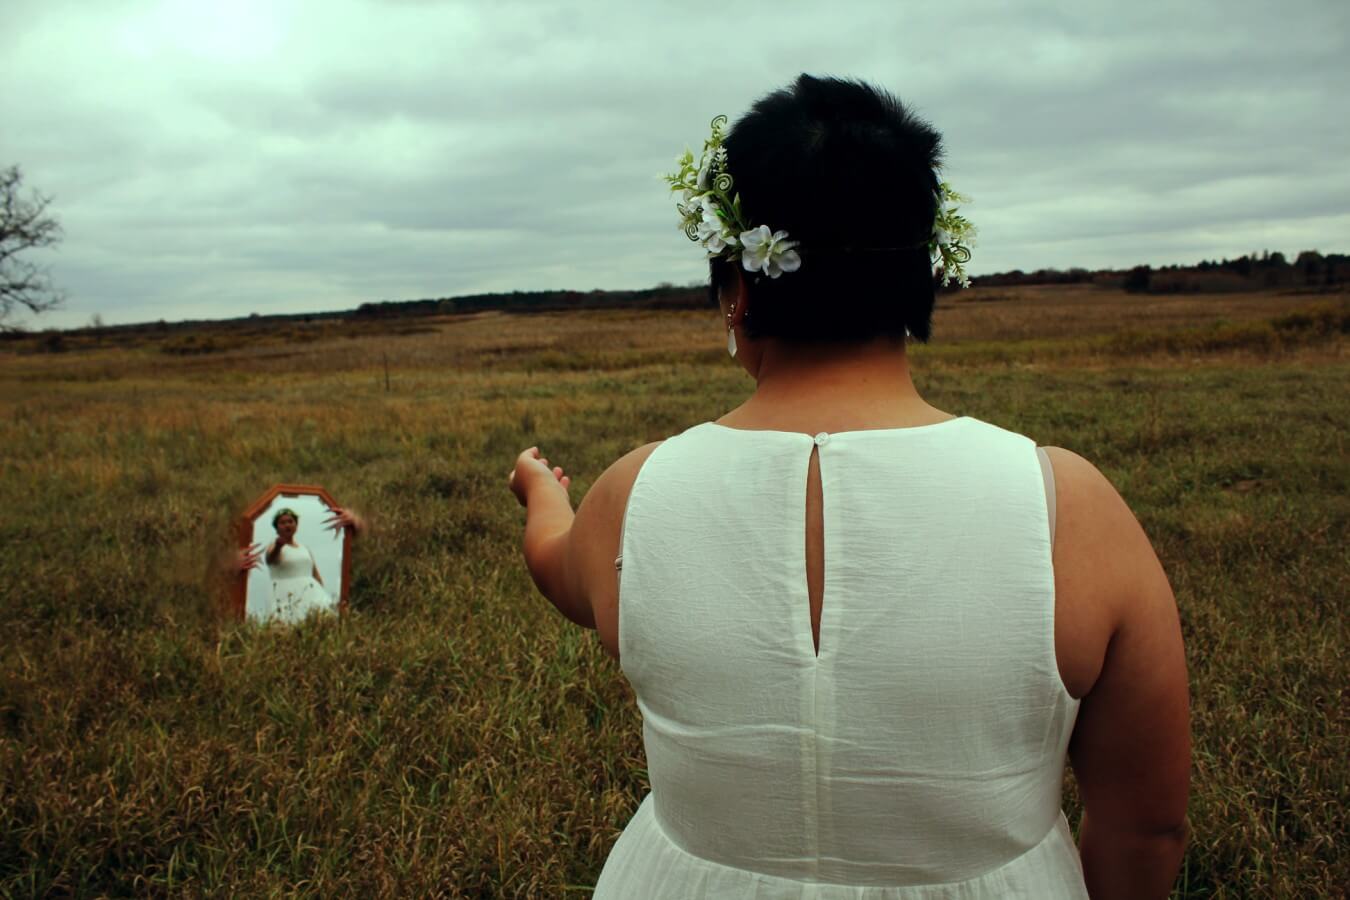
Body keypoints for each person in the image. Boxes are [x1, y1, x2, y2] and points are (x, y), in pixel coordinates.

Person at [509, 75, 1190, 899]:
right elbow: (1145, 825)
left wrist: (541, 488)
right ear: (920, 275)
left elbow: (555, 562)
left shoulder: (633, 496)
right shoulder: (1068, 506)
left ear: (738, 289)